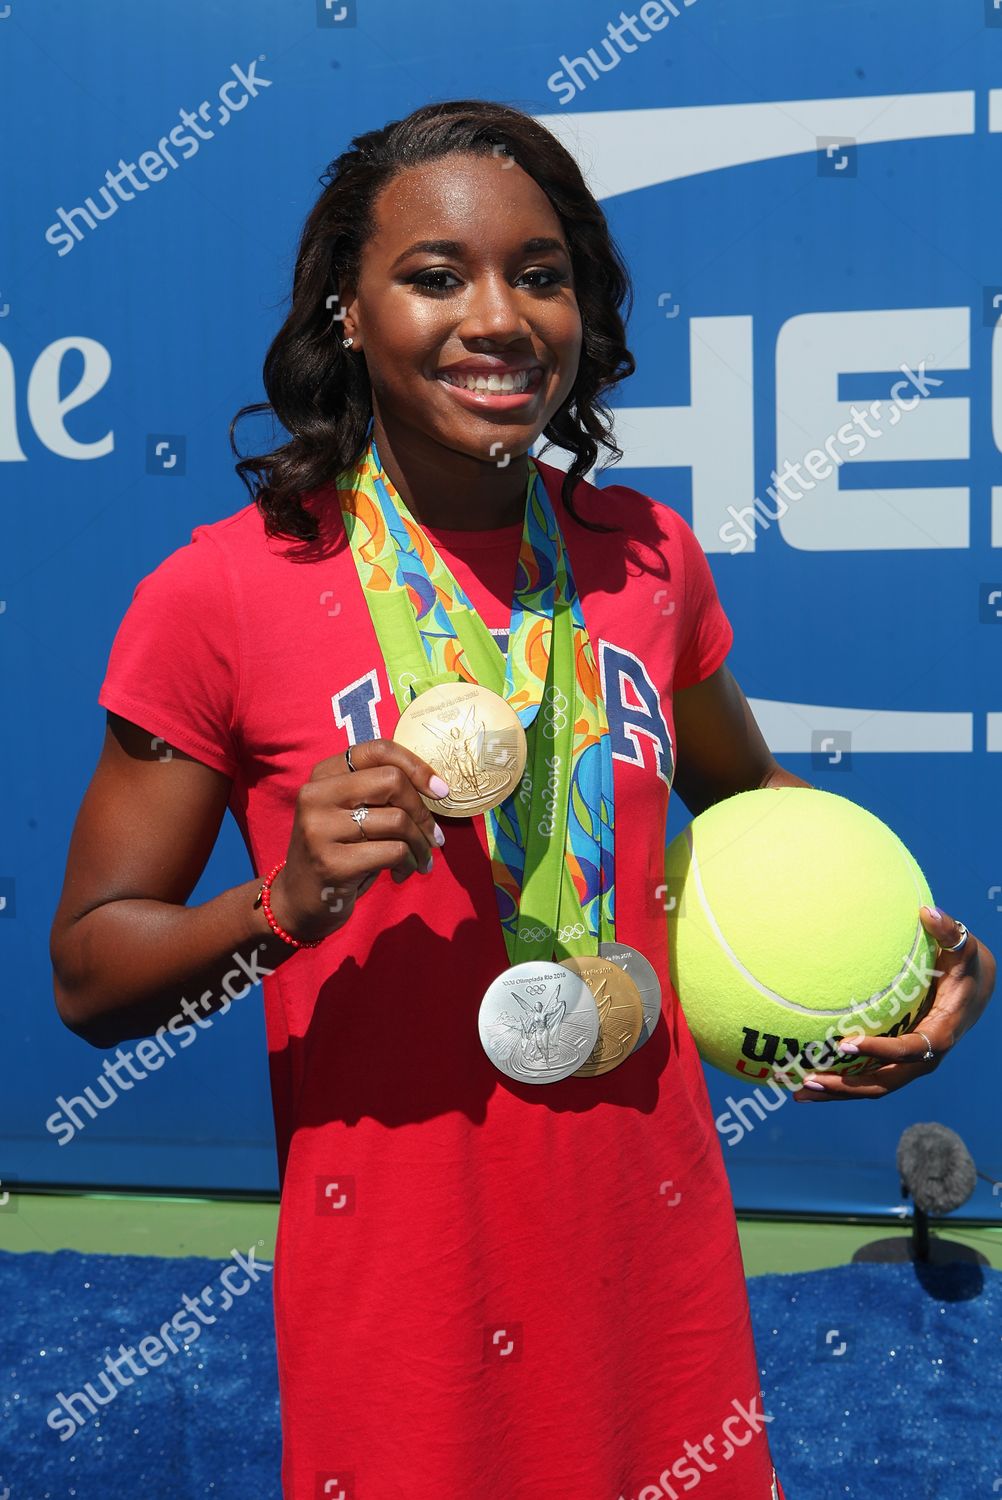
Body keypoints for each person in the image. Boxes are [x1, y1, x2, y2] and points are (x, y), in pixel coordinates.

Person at [50, 98, 995, 1500]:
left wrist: (896, 968)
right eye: (435, 276)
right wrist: (285, 902)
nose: (495, 317)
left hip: (652, 1247)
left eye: (538, 275)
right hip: (403, 1281)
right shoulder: (222, 593)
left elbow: (754, 803)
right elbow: (90, 975)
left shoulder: (648, 558)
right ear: (348, 312)